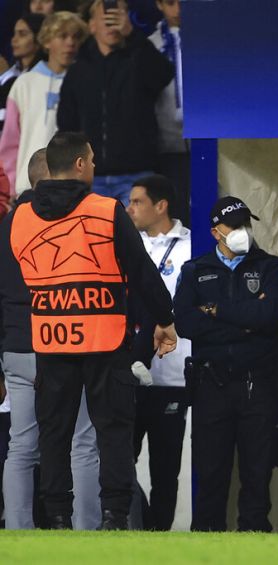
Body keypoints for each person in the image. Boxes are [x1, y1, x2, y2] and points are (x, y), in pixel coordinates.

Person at [7, 131, 176, 530]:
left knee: (53, 433)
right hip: (104, 339)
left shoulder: (19, 218)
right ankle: (114, 515)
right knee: (112, 431)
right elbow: (141, 271)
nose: (96, 166)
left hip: (49, 340)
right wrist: (165, 320)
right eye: (93, 160)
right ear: (80, 164)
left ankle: (59, 517)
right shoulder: (104, 210)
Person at [174, 195, 278, 532]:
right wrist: (246, 320)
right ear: (215, 232)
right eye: (234, 225)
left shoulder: (269, 266)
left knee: (257, 475)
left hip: (259, 384)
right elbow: (186, 324)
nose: (242, 231)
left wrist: (216, 311)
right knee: (211, 475)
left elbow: (270, 317)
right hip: (212, 385)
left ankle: (255, 545)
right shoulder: (196, 270)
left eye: (245, 224)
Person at [0, 147, 100, 530]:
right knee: (82, 443)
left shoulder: (7, 225)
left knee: (21, 446)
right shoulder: (69, 220)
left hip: (17, 348)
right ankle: (86, 532)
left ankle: (18, 532)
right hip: (64, 342)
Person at [57, 0, 174, 206]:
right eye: (106, 19)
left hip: (137, 176)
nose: (112, 25)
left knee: (137, 238)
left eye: (117, 17)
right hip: (91, 179)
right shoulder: (78, 70)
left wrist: (132, 34)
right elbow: (67, 122)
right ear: (92, 25)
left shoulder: (138, 57)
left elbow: (163, 75)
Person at [125, 173, 190, 531]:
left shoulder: (191, 247)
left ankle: (160, 538)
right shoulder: (124, 245)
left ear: (160, 206)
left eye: (137, 201)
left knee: (166, 469)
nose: (130, 208)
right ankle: (137, 528)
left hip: (172, 373)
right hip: (129, 374)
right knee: (119, 462)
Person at [0, 11, 87, 195]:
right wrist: (10, 186)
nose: (70, 43)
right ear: (47, 41)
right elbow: (10, 142)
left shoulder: (84, 82)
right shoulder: (24, 83)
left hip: (70, 185)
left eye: (75, 37)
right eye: (63, 36)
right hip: (27, 186)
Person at [147, 0, 189, 225]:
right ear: (160, 4)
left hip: (205, 139)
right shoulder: (151, 45)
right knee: (177, 206)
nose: (178, 9)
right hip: (167, 140)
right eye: (171, 3)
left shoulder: (208, 39)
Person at [0, 13, 44, 134]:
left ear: (39, 38)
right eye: (15, 34)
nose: (14, 39)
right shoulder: (13, 70)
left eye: (22, 34)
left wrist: (6, 76)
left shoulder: (42, 76)